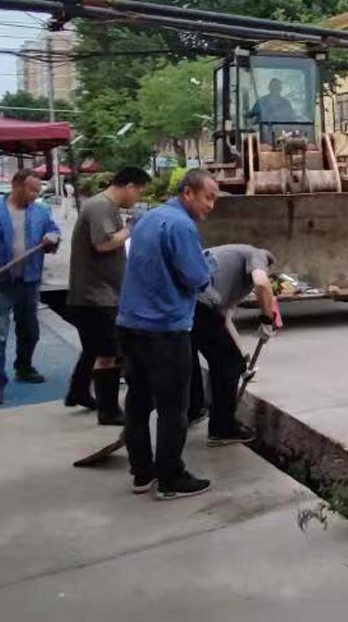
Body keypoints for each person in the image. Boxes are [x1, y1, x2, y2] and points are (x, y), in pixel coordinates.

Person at [116, 169, 218, 500]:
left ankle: (142, 472)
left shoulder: (147, 219)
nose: (211, 205)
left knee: (138, 401)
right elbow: (196, 278)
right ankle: (170, 477)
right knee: (173, 408)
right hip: (165, 329)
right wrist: (210, 266)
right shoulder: (181, 226)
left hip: (130, 324)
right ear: (188, 193)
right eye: (208, 197)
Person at [0, 169, 60, 406]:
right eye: (31, 189)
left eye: (38, 190)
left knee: (30, 331)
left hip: (29, 281)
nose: (35, 195)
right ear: (16, 185)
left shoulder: (40, 211)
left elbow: (53, 230)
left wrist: (52, 237)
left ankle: (24, 368)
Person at [65, 166, 151, 425]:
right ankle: (109, 411)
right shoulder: (101, 206)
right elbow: (103, 243)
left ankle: (79, 392)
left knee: (95, 347)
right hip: (97, 295)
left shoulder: (102, 205)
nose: (137, 198)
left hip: (98, 293)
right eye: (139, 192)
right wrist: (131, 228)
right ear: (130, 186)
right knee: (108, 354)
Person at [191, 244, 278, 446]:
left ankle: (191, 412)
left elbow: (224, 321)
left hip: (183, 303)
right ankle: (222, 429)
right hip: (200, 304)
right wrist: (267, 319)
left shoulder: (227, 265)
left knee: (192, 359)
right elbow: (262, 284)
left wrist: (242, 361)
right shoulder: (258, 255)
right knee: (226, 365)